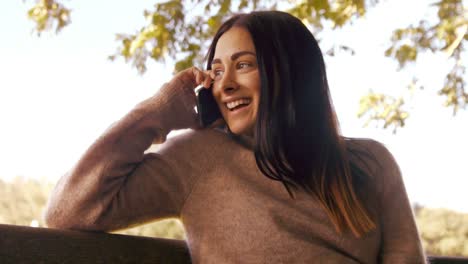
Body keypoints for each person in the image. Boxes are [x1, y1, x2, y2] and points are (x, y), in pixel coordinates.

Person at [44, 11, 427, 263]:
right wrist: (159, 111)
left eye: (243, 65)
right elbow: (67, 211)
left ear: (291, 73)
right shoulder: (197, 158)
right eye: (216, 69)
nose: (224, 84)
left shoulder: (371, 162)